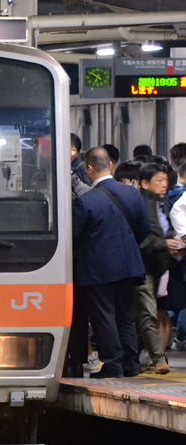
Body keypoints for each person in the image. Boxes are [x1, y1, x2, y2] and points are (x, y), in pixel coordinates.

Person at [71, 148, 149, 378]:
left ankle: (113, 364)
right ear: (111, 165)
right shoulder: (132, 194)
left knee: (104, 317)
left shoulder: (86, 201)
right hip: (129, 266)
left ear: (89, 168)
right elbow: (144, 229)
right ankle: (130, 364)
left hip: (98, 270)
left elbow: (74, 239)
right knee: (126, 317)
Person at [134, 162, 182, 373]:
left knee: (148, 312)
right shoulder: (139, 206)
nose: (164, 185)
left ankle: (139, 354)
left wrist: (175, 241)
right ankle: (158, 357)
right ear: (144, 183)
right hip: (143, 266)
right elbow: (139, 239)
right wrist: (165, 244)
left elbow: (166, 230)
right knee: (147, 311)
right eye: (159, 181)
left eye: (165, 181)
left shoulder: (162, 204)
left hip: (159, 266)